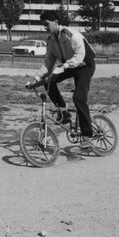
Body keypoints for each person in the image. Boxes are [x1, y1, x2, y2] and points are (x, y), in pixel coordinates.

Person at [33, 10, 97, 149]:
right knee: (49, 81)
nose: (45, 28)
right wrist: (37, 77)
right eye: (43, 25)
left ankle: (87, 136)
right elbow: (48, 63)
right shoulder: (50, 40)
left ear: (56, 22)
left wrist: (63, 67)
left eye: (47, 24)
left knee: (79, 98)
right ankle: (64, 112)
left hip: (85, 65)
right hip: (70, 65)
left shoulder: (71, 35)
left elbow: (79, 57)